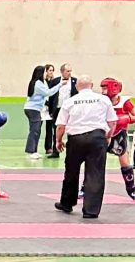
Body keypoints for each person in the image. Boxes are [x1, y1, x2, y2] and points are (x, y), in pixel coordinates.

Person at [55, 74, 116, 221]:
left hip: (76, 139)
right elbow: (112, 122)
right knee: (95, 173)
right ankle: (91, 210)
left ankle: (67, 203)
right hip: (97, 138)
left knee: (71, 171)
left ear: (77, 87)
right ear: (92, 85)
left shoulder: (70, 101)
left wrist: (58, 141)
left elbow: (61, 125)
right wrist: (108, 137)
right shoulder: (103, 99)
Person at [100, 78, 135, 202]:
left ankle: (132, 189)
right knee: (95, 162)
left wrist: (126, 119)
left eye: (105, 88)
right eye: (102, 88)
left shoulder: (125, 102)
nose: (103, 91)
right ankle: (85, 188)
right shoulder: (101, 101)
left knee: (125, 162)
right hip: (103, 134)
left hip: (119, 134)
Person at [23, 65, 55, 157]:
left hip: (32, 109)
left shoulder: (36, 82)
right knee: (35, 130)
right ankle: (31, 151)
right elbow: (48, 92)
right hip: (33, 110)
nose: (46, 74)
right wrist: (60, 85)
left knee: (35, 130)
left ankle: (34, 150)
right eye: (45, 72)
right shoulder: (38, 83)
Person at [47, 65, 76, 156]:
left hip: (71, 110)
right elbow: (51, 96)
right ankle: (55, 151)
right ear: (62, 72)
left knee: (72, 129)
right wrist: (51, 110)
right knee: (56, 129)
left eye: (70, 71)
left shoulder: (75, 81)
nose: (69, 73)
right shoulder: (55, 81)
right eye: (67, 71)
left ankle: (72, 151)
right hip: (58, 108)